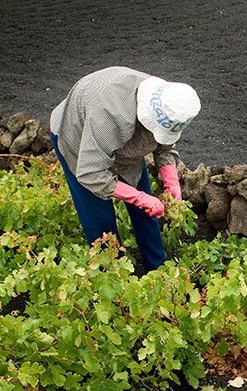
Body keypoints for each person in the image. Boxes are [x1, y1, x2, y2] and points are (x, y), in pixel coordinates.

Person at [50, 66, 200, 271]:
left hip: (121, 143)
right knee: (101, 222)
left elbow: (163, 143)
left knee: (147, 213)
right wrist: (138, 197)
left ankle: (157, 270)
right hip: (79, 140)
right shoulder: (107, 115)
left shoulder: (166, 100)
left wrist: (171, 181)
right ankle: (115, 278)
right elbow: (91, 174)